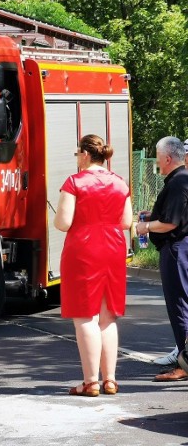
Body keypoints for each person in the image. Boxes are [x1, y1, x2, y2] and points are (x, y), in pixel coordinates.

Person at [54, 134, 132, 396]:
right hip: (113, 247)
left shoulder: (74, 182)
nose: (77, 158)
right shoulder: (120, 183)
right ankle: (110, 380)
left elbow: (63, 223)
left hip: (84, 248)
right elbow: (126, 222)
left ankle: (90, 382)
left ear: (86, 154)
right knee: (107, 316)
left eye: (78, 154)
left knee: (85, 316)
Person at [135, 136, 188, 381]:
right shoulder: (178, 180)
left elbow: (169, 223)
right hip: (178, 248)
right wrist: (150, 216)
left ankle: (184, 365)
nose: (156, 161)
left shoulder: (178, 182)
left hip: (176, 250)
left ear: (167, 158)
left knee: (180, 307)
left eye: (157, 156)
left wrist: (143, 227)